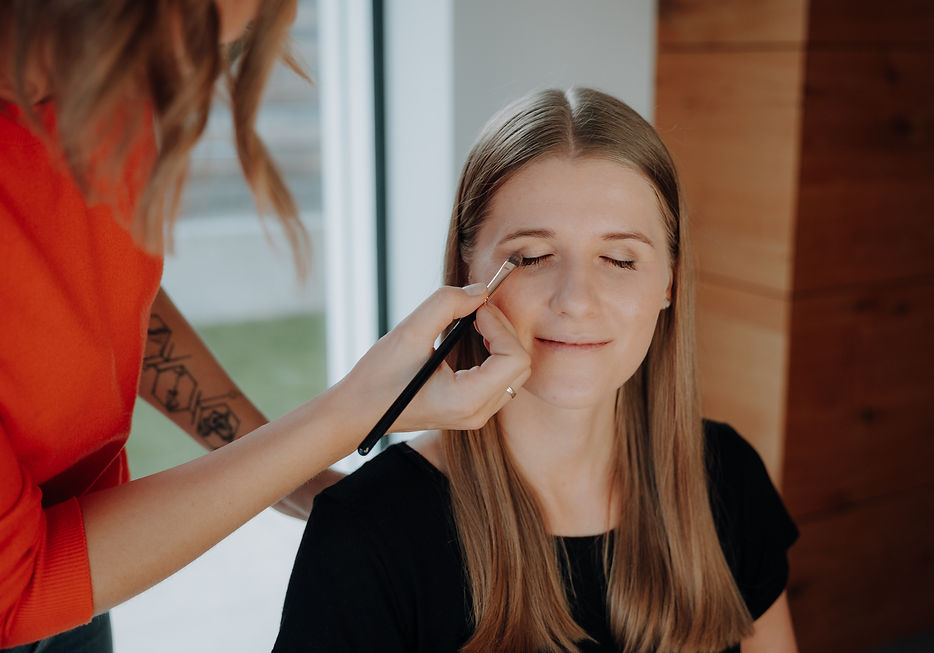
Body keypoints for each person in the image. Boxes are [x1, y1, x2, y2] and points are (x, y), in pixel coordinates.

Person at [0, 1, 530, 650]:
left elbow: (75, 283)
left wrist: (293, 475)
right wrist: (341, 415)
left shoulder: (88, 89)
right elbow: (20, 585)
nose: (172, 97)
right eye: (166, 48)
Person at [273, 87, 800, 653]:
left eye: (620, 259)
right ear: (466, 271)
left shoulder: (727, 477)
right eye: (530, 258)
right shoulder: (363, 536)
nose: (576, 299)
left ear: (668, 282)